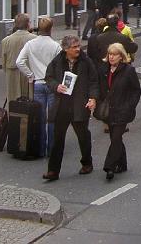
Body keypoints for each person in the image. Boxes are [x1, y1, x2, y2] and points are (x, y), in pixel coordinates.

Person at [42, 35, 98, 181]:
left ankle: (87, 163)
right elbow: (49, 78)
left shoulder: (86, 61)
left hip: (79, 105)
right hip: (62, 105)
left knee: (83, 136)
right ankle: (53, 171)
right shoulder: (57, 61)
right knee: (58, 139)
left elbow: (93, 81)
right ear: (66, 49)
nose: (78, 49)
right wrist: (56, 86)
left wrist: (93, 98)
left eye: (78, 46)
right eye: (74, 47)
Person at [16, 18, 62, 158]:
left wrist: (30, 74)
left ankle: (40, 148)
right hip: (52, 84)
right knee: (52, 118)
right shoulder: (55, 46)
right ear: (51, 28)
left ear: (38, 29)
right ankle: (52, 149)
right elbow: (61, 66)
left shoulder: (30, 44)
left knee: (40, 118)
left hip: (37, 83)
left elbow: (19, 62)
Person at [97, 43, 141, 180]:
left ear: (121, 56)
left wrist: (129, 106)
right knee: (115, 138)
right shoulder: (104, 69)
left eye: (114, 54)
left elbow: (136, 91)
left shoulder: (128, 71)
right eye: (109, 54)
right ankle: (122, 163)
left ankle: (109, 166)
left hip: (123, 110)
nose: (111, 57)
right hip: (109, 111)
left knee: (115, 138)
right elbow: (100, 88)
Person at [1, 13, 34, 101]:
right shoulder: (34, 39)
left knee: (13, 103)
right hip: (28, 74)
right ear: (28, 24)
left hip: (12, 75)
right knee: (29, 102)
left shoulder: (5, 41)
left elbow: (3, 63)